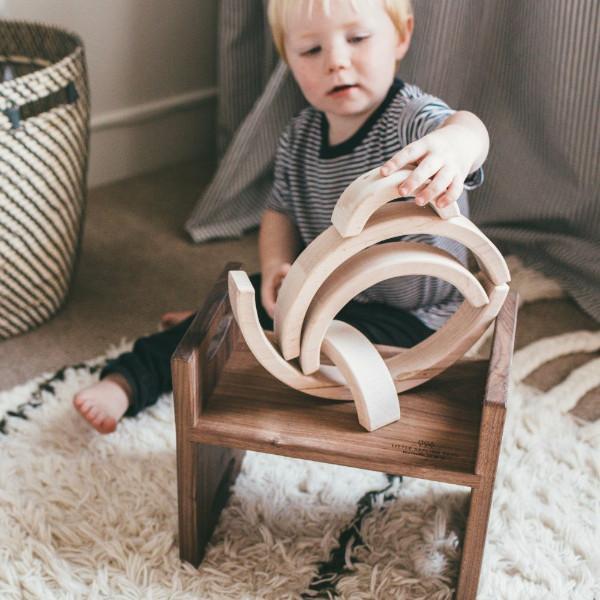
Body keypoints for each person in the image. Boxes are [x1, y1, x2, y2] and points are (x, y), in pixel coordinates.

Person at [74, 0, 489, 434]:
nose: (336, 61)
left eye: (357, 38)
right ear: (288, 58)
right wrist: (276, 267)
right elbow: (280, 210)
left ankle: (226, 338)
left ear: (401, 37)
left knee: (315, 365)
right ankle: (129, 380)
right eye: (311, 50)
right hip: (323, 290)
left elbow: (468, 129)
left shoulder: (411, 121)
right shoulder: (300, 135)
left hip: (414, 316)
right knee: (239, 303)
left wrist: (455, 147)